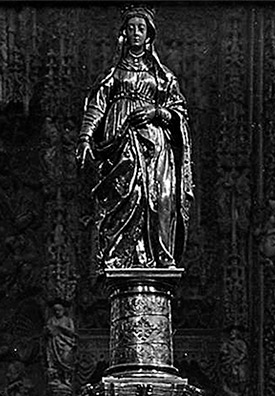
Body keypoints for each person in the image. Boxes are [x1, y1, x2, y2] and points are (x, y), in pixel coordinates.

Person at [77, 5, 193, 269]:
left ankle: (161, 255)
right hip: (120, 143)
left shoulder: (162, 76)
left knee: (160, 196)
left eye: (141, 28)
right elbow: (97, 104)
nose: (136, 33)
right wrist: (85, 137)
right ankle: (120, 256)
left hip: (154, 145)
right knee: (125, 196)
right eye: (131, 28)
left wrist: (157, 111)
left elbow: (178, 111)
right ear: (124, 34)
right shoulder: (114, 74)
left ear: (149, 34)